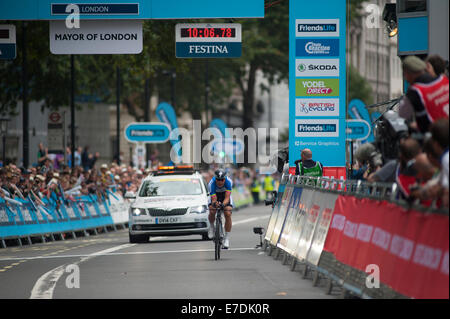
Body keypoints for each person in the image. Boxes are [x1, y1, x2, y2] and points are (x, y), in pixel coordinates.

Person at [399, 55, 449, 134]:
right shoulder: (444, 80)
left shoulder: (415, 91)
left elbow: (403, 114)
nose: (406, 78)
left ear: (408, 74)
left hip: (436, 137)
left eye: (405, 74)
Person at [207, 169, 233, 249]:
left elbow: (227, 197)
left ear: (225, 179)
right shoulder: (211, 184)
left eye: (222, 180)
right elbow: (214, 199)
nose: (220, 182)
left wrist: (223, 204)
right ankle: (211, 227)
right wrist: (215, 203)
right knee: (212, 210)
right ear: (215, 179)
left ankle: (227, 238)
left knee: (227, 213)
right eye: (218, 180)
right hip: (216, 195)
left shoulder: (229, 182)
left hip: (225, 197)